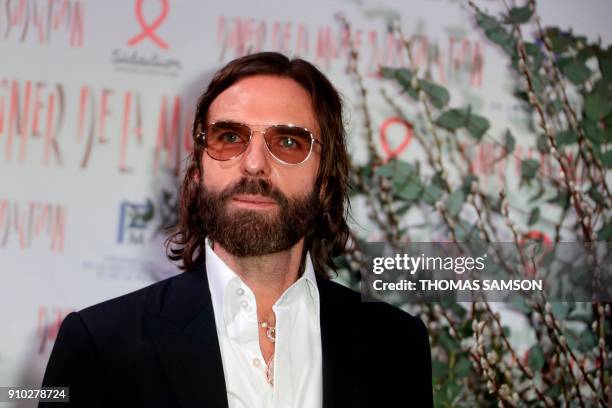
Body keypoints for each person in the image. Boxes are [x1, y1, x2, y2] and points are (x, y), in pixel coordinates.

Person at [40, 52, 432, 408]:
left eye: (289, 142)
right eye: (229, 138)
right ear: (197, 170)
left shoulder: (395, 344)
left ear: (326, 179)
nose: (254, 164)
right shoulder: (101, 343)